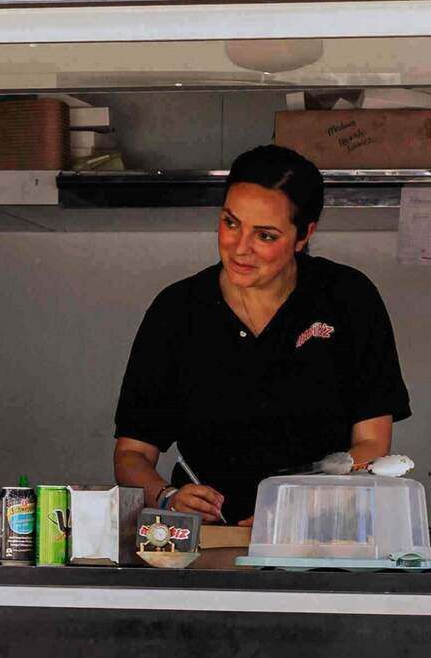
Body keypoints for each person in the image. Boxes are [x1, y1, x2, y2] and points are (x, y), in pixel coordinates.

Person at [114, 144, 411, 526]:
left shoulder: (347, 298)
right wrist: (169, 498)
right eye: (231, 223)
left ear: (303, 236)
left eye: (266, 236)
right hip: (208, 541)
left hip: (323, 534)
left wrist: (295, 510)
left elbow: (371, 444)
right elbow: (132, 455)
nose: (240, 248)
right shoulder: (178, 311)